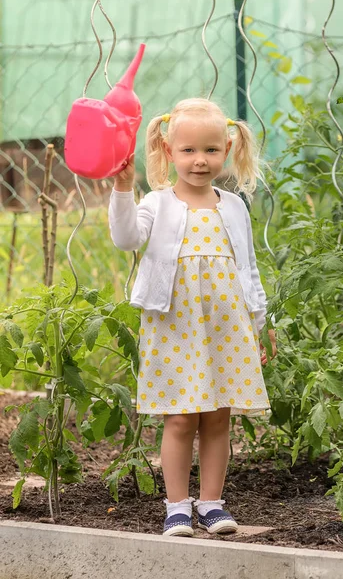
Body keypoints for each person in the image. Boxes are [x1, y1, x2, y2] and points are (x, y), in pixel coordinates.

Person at [108, 98, 277, 537]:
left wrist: (261, 322)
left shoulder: (234, 206)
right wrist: (123, 188)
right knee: (182, 417)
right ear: (168, 150)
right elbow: (125, 237)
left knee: (218, 415)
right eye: (188, 151)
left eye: (210, 150)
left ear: (227, 149)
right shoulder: (158, 203)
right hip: (175, 324)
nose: (199, 161)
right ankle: (178, 507)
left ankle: (213, 504)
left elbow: (248, 268)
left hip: (226, 325)